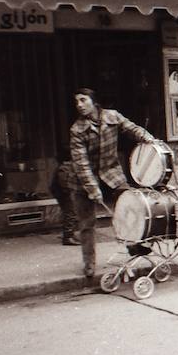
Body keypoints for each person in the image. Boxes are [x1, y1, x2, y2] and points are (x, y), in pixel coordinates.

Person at [66, 87, 155, 277]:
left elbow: (131, 128)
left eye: (83, 100)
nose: (79, 105)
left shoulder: (112, 117)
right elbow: (81, 163)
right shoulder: (77, 130)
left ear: (93, 101)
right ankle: (89, 263)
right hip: (82, 181)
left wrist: (147, 138)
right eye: (76, 102)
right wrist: (93, 189)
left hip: (110, 173)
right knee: (87, 223)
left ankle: (134, 246)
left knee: (130, 205)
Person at [49, 152, 79, 246]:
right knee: (70, 213)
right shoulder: (66, 167)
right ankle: (68, 237)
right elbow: (64, 183)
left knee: (68, 213)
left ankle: (69, 234)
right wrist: (70, 191)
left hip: (61, 193)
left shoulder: (63, 167)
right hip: (65, 194)